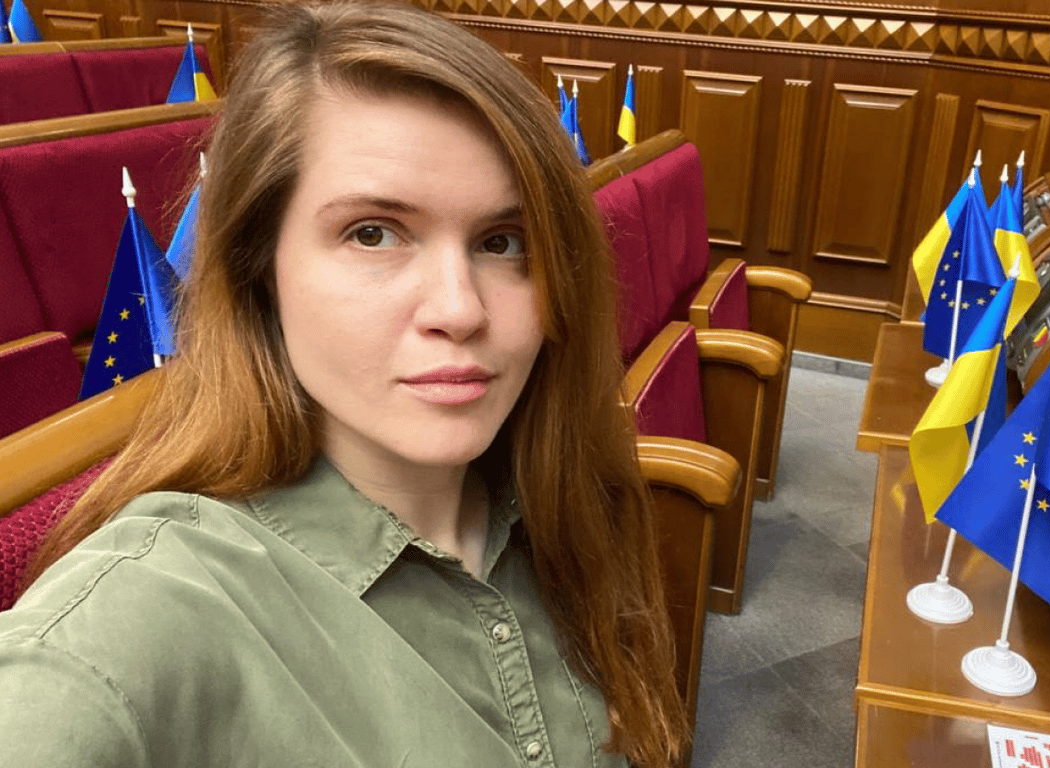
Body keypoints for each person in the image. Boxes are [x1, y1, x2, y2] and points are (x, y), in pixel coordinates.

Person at [0, 3, 687, 766]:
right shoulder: (140, 621)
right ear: (260, 270)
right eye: (373, 233)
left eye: (503, 242)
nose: (460, 310)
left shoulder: (574, 496)